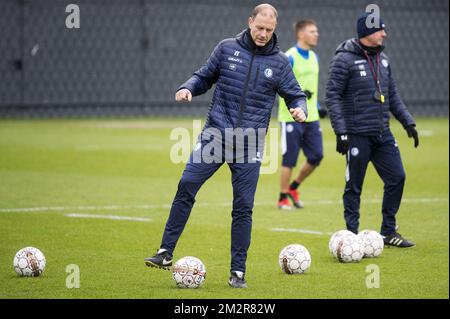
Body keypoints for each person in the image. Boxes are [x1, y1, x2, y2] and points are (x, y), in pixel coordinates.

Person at [145, 3, 308, 288]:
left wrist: (299, 108)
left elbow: (294, 94)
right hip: (215, 137)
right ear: (250, 22)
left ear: (274, 29)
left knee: (243, 207)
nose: (263, 34)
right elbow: (204, 76)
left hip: (250, 145)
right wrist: (188, 87)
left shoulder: (280, 62)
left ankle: (238, 272)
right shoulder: (226, 48)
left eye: (269, 30)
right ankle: (165, 252)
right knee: (186, 185)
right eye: (259, 28)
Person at [325, 12, 419, 247]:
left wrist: (408, 122)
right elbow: (332, 96)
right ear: (367, 33)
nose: (384, 34)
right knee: (354, 185)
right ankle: (351, 236)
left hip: (382, 133)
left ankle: (388, 231)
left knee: (397, 177)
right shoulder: (343, 60)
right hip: (357, 134)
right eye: (380, 30)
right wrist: (341, 132)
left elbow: (393, 95)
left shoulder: (383, 59)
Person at [277, 19, 325, 210]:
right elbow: (280, 85)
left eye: (316, 31)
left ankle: (294, 187)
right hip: (290, 116)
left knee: (316, 156)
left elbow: (311, 86)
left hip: (311, 116)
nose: (316, 34)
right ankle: (282, 198)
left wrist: (318, 105)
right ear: (301, 34)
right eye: (312, 31)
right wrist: (296, 97)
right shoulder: (289, 57)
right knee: (289, 159)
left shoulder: (314, 57)